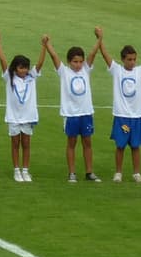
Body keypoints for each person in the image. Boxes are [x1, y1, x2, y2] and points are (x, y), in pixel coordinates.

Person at [96, 26, 141, 184]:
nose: (132, 62)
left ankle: (136, 173)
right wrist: (100, 38)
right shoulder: (116, 70)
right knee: (120, 146)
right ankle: (118, 173)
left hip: (137, 116)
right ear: (123, 59)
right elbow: (104, 54)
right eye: (129, 59)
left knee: (135, 146)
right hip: (122, 116)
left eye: (134, 59)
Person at [43, 34, 102, 182]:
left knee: (87, 142)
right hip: (71, 114)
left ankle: (89, 172)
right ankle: (72, 173)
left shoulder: (86, 70)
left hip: (86, 113)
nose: (78, 64)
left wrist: (99, 39)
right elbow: (54, 56)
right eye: (75, 61)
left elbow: (93, 54)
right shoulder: (64, 71)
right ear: (69, 61)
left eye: (81, 61)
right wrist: (47, 44)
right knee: (71, 143)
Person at [0, 34, 45, 182]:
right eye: (21, 68)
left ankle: (25, 170)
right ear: (15, 68)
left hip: (28, 116)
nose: (24, 70)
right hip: (13, 117)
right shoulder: (9, 77)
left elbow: (40, 63)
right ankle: (16, 171)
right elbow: (2, 60)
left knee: (26, 144)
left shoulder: (32, 77)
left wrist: (44, 46)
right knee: (15, 144)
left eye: (26, 68)